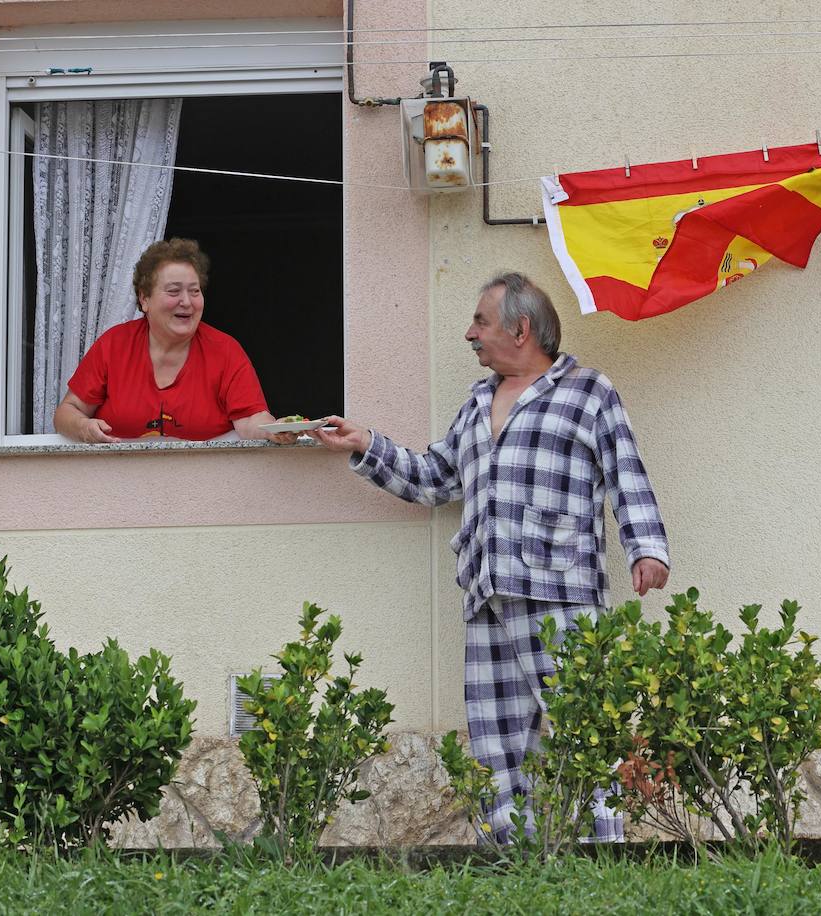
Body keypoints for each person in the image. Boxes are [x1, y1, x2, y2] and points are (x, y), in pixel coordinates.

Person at [312, 271, 670, 843]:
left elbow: (625, 473)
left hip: (562, 588)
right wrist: (366, 445)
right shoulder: (478, 401)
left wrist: (646, 548)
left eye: (480, 321)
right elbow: (436, 479)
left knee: (585, 726)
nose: (469, 334)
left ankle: (604, 850)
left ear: (521, 328)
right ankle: (508, 854)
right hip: (487, 591)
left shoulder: (587, 391)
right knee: (496, 740)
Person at [52, 238, 288, 443]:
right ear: (144, 299)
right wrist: (84, 428)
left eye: (195, 291)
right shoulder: (114, 345)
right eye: (174, 291)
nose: (186, 301)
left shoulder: (225, 351)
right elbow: (67, 412)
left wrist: (276, 430)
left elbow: (250, 419)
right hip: (119, 485)